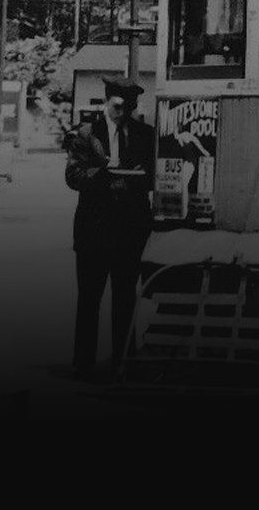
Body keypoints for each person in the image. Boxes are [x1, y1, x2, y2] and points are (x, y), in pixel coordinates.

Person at [64, 75, 156, 382]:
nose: (123, 111)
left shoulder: (145, 133)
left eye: (129, 106)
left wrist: (137, 178)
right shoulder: (86, 134)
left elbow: (153, 174)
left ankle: (123, 359)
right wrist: (103, 177)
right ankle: (84, 362)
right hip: (95, 227)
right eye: (118, 105)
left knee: (124, 298)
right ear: (107, 102)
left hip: (129, 229)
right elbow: (73, 175)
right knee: (89, 299)